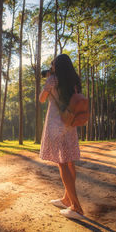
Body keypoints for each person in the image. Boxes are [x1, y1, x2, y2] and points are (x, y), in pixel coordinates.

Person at [39, 54, 84, 219]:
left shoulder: (53, 80)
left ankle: (77, 207)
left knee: (62, 163)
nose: (51, 69)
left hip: (56, 124)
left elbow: (41, 99)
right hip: (69, 123)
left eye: (52, 66)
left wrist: (47, 85)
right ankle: (66, 199)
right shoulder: (75, 80)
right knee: (69, 161)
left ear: (57, 66)